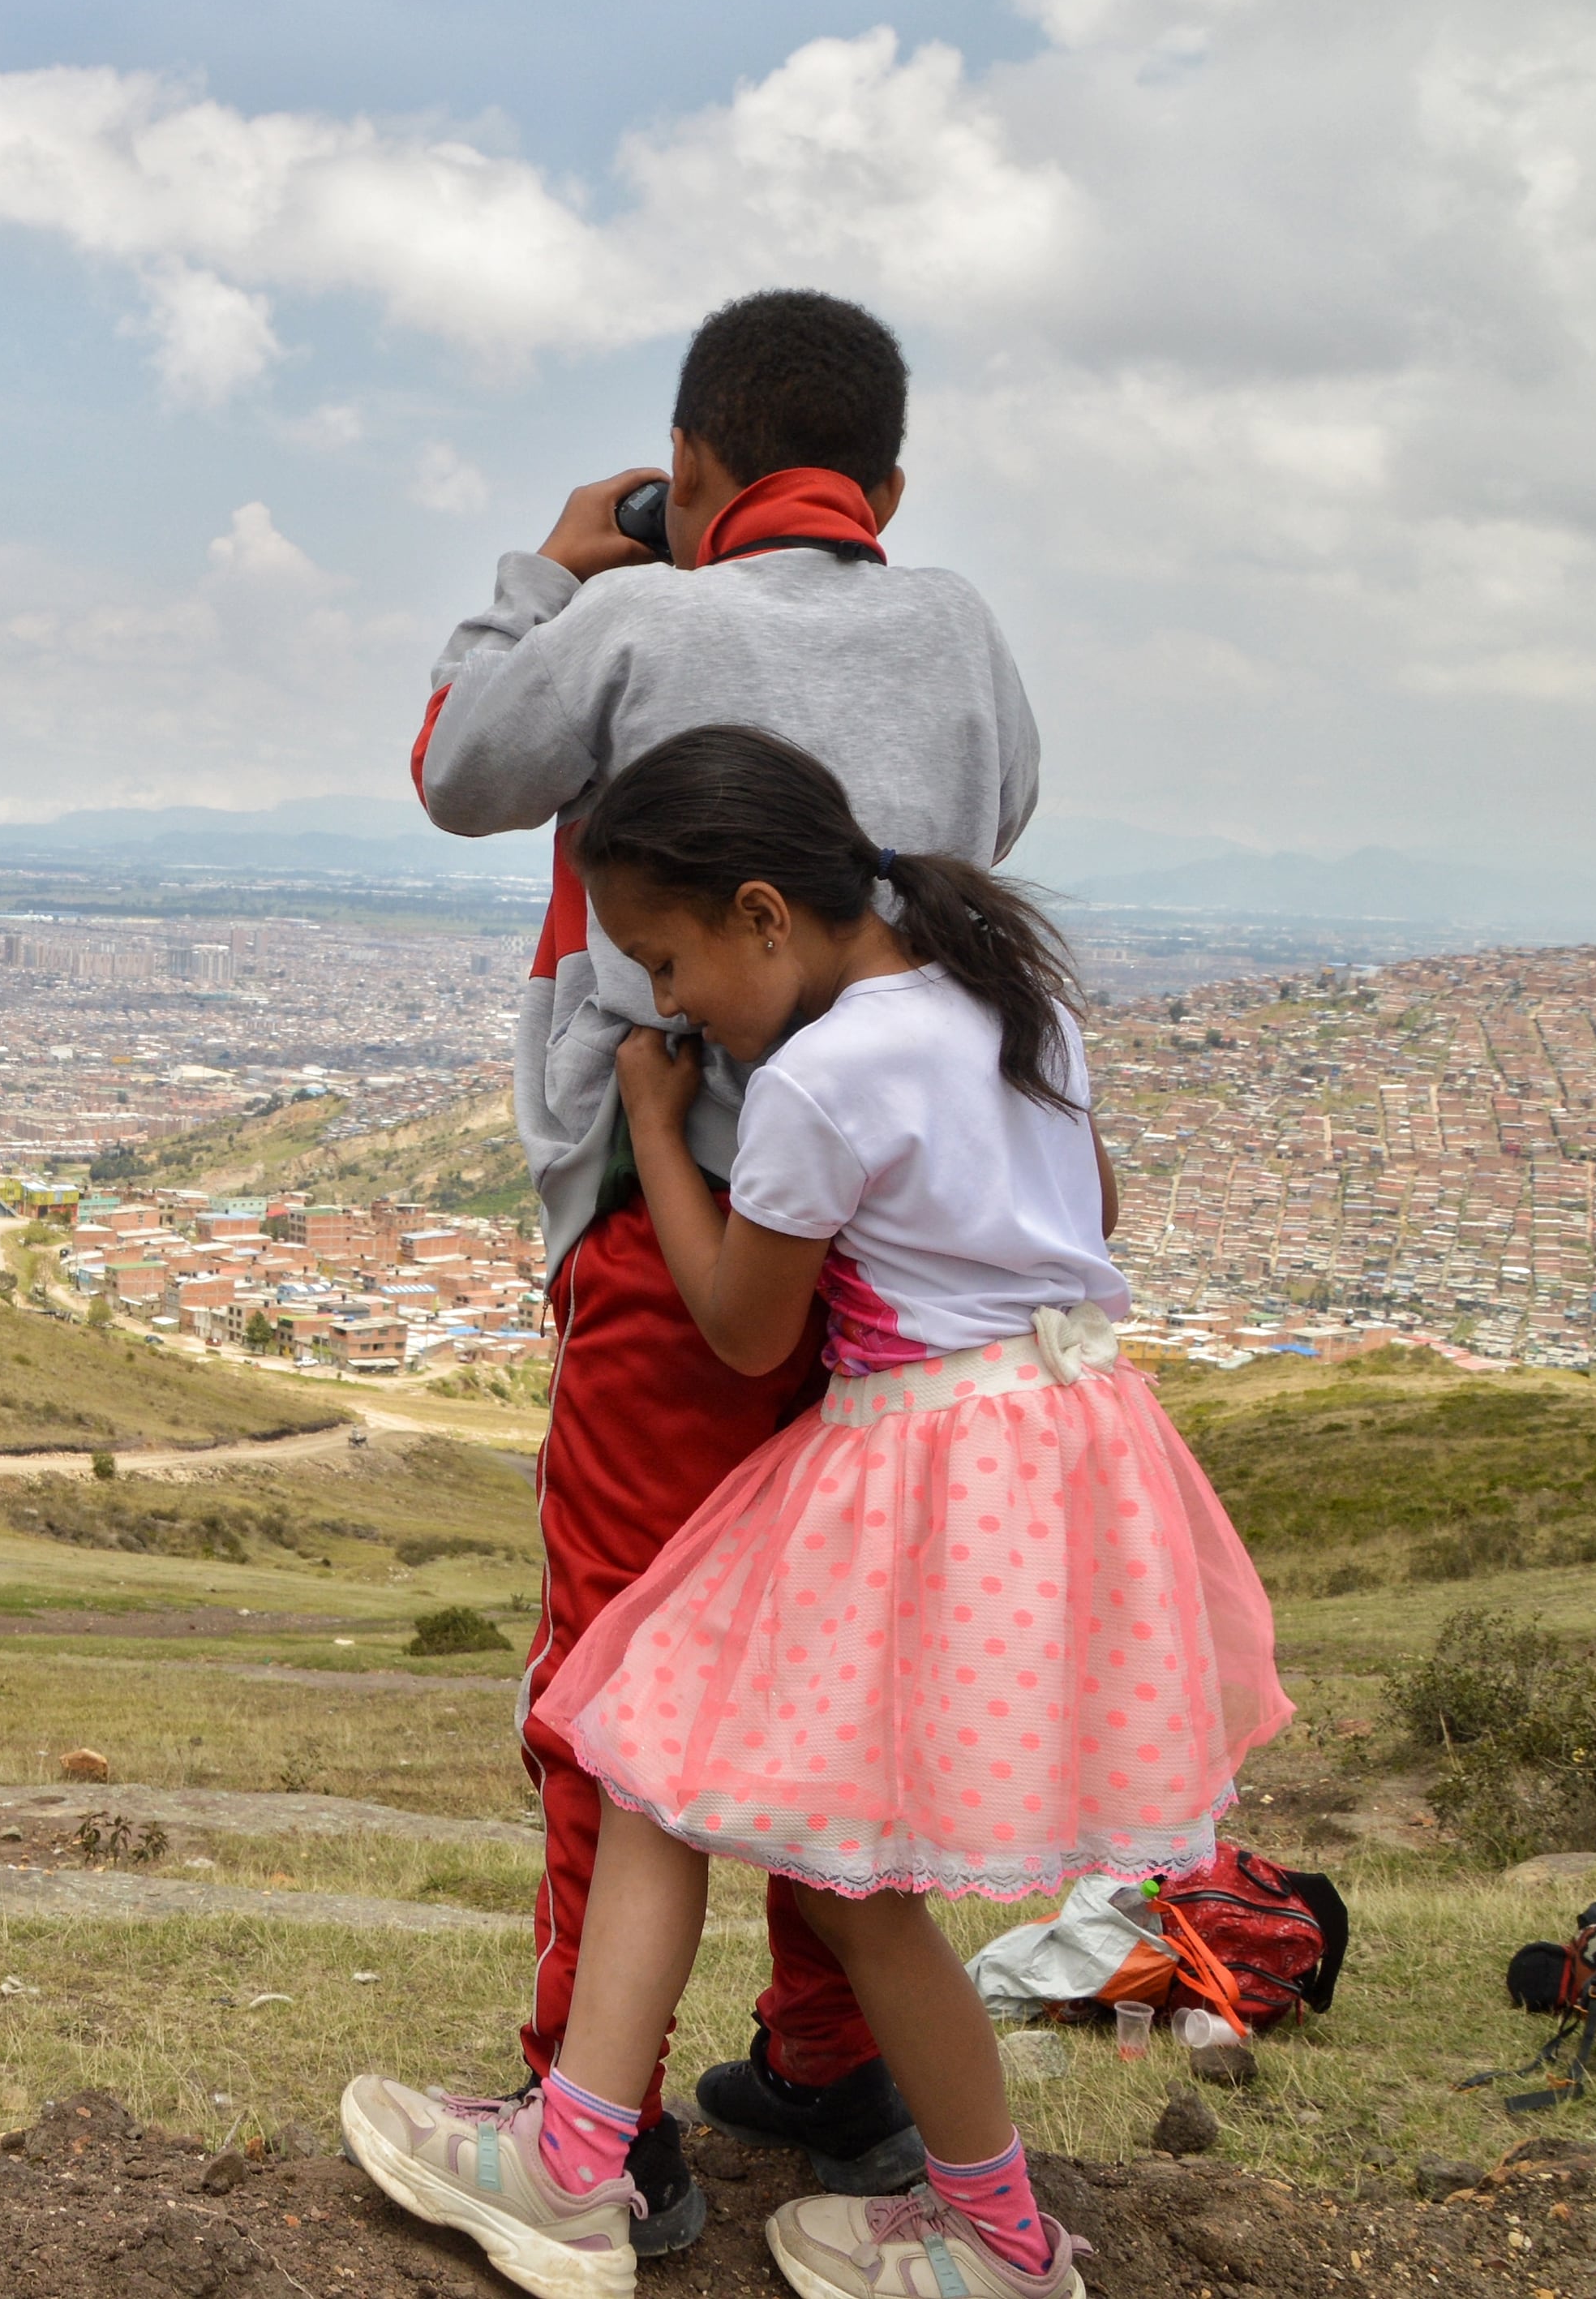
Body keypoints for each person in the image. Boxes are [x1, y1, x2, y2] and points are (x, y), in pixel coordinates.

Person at [346, 723, 1287, 2299]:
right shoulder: (1010, 996)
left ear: (764, 915)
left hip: (918, 1475)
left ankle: (577, 2165)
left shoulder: (820, 1079)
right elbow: (1087, 1212)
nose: (666, 1002)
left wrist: (655, 1127)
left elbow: (742, 1331)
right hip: (1072, 1447)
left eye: (666, 958)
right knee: (840, 1874)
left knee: (656, 1763)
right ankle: (985, 2230)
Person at [403, 290, 1037, 2237]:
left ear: (687, 473)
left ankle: (592, 2121)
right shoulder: (963, 637)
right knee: (824, 1672)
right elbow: (982, 829)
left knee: (621, 1665)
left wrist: (544, 573)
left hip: (675, 1226)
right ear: (888, 485)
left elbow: (453, 768)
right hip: (894, 1269)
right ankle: (834, 2080)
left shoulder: (634, 617)